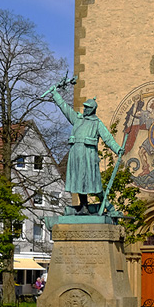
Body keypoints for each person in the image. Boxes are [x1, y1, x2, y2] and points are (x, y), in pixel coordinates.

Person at [50, 86, 123, 214]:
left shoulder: (96, 123)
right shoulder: (78, 119)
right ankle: (84, 205)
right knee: (78, 182)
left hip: (88, 156)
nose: (85, 109)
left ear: (93, 109)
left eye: (88, 107)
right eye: (85, 107)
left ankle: (109, 206)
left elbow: (108, 138)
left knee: (94, 184)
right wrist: (55, 94)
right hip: (75, 155)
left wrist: (117, 149)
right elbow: (65, 109)